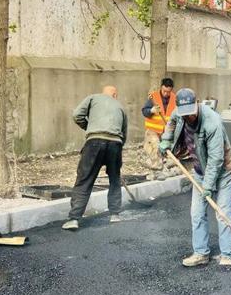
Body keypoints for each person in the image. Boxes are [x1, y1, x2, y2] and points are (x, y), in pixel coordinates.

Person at [159, 88, 231, 266]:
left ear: (197, 103)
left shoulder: (212, 122)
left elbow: (216, 159)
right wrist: (166, 139)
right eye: (185, 114)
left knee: (222, 213)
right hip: (200, 169)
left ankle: (227, 254)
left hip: (223, 170)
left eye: (191, 113)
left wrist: (208, 186)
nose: (189, 117)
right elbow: (171, 122)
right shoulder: (180, 112)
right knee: (197, 213)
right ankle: (201, 253)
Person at [63, 85, 128, 230]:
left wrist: (90, 127)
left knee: (85, 179)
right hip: (115, 144)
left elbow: (76, 115)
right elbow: (124, 133)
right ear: (115, 95)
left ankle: (74, 219)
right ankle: (115, 215)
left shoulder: (92, 98)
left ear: (102, 93)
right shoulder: (121, 107)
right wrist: (116, 152)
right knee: (114, 180)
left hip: (94, 142)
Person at [140, 78, 177, 180]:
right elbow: (144, 111)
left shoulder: (175, 99)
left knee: (171, 151)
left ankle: (170, 167)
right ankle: (156, 169)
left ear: (171, 90)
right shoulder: (153, 97)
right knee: (154, 146)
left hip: (167, 131)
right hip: (153, 130)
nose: (166, 93)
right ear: (161, 87)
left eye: (168, 92)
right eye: (164, 91)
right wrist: (151, 110)